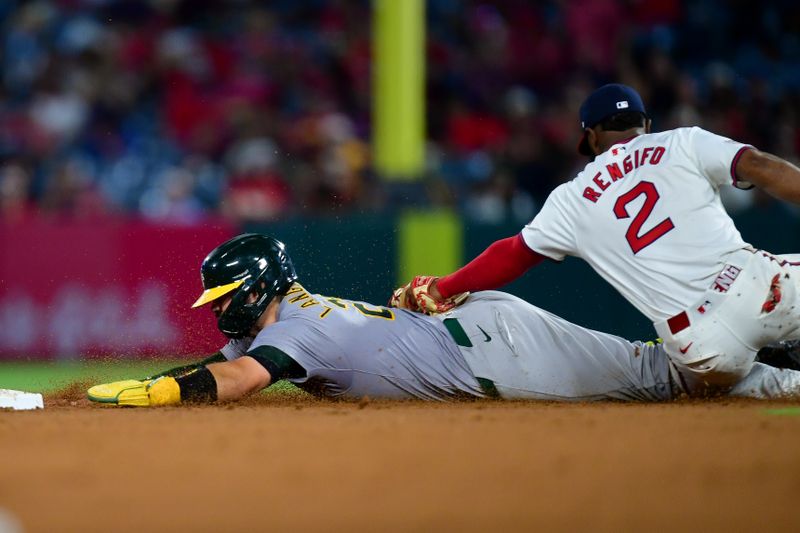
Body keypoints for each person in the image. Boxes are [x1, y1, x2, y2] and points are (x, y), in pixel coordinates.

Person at [390, 83, 800, 397]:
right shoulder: (681, 141)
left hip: (702, 346)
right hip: (757, 285)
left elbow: (512, 255)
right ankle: (778, 346)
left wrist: (440, 287)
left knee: (705, 381)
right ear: (646, 125)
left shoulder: (571, 198)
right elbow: (758, 165)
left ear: (589, 138)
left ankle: (778, 378)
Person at [87, 233, 800, 407]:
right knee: (651, 367)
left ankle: (785, 363)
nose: (221, 310)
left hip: (499, 352)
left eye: (224, 296)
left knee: (667, 379)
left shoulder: (285, 332)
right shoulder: (277, 315)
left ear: (254, 288)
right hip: (472, 331)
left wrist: (163, 389)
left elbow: (240, 376)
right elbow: (235, 356)